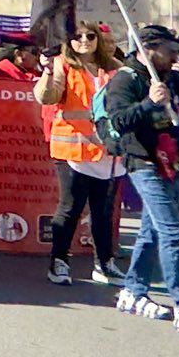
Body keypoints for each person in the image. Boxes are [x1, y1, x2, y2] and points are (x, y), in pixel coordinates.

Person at [99, 25, 179, 336]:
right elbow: (120, 120)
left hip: (174, 159)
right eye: (170, 51)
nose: (176, 56)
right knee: (171, 231)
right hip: (144, 162)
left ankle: (134, 290)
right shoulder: (125, 79)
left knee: (151, 231)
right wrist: (149, 104)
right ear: (149, 49)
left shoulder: (168, 75)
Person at [35, 23, 125, 286]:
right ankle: (59, 260)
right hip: (73, 148)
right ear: (69, 40)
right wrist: (47, 73)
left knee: (103, 211)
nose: (84, 40)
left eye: (90, 36)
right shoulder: (62, 64)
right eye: (77, 36)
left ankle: (104, 263)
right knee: (70, 207)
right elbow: (47, 97)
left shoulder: (115, 67)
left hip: (106, 150)